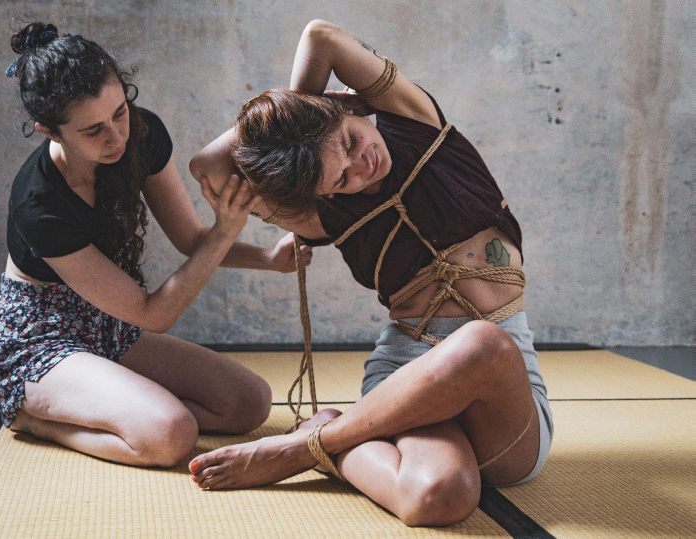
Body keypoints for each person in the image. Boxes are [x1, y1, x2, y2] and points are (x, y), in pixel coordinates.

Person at [187, 20, 553, 526]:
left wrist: (301, 113)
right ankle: (335, 433)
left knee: (480, 343)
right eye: (341, 177)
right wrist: (300, 165)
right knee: (438, 499)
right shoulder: (327, 214)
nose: (363, 165)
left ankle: (301, 448)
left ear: (351, 106)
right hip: (404, 377)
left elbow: (320, 36)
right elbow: (206, 165)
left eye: (351, 140)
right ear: (323, 193)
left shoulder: (415, 122)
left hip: (499, 386)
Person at [0, 22, 314, 468]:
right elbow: (153, 313)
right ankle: (30, 414)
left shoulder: (142, 135)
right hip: (37, 337)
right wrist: (226, 230)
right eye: (93, 130)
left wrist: (269, 259)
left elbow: (192, 240)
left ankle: (121, 404)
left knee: (249, 403)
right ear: (50, 131)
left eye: (120, 112)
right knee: (171, 435)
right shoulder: (38, 204)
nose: (116, 137)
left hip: (104, 320)